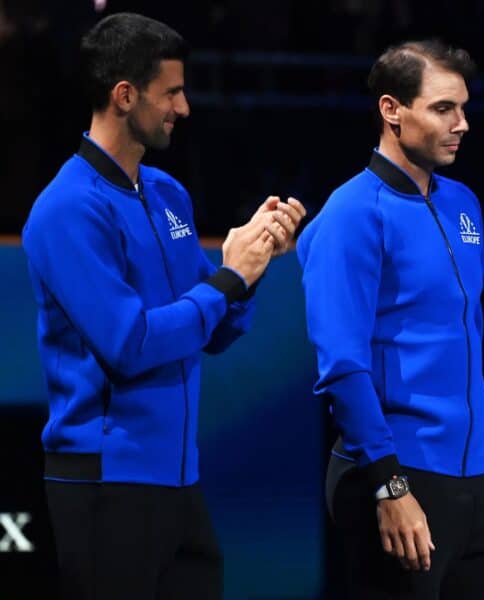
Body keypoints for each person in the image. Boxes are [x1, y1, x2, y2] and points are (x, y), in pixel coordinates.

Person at [20, 12, 306, 600]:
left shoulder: (168, 192)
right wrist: (229, 278)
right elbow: (130, 345)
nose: (184, 107)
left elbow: (212, 328)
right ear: (125, 95)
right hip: (105, 484)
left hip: (179, 479)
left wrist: (250, 262)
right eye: (172, 92)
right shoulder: (67, 208)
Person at [296, 39, 484, 600]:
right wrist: (388, 486)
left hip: (479, 469)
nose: (462, 124)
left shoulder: (464, 202)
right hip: (397, 470)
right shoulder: (352, 215)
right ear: (392, 111)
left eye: (464, 108)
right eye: (444, 109)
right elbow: (342, 367)